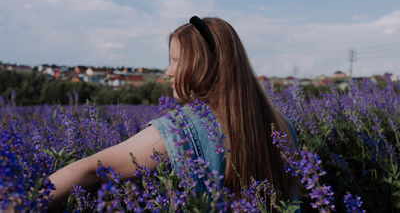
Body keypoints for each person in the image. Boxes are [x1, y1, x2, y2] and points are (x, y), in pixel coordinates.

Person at [49, 16, 299, 207]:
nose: (168, 71)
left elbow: (91, 169)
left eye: (176, 61)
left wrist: (20, 201)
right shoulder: (282, 123)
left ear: (203, 65)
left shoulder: (183, 129)